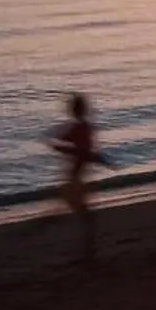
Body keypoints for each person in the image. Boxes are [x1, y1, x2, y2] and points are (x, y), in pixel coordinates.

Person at [49, 92, 106, 263]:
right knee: (85, 216)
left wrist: (58, 146)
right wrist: (101, 159)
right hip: (76, 179)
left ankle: (88, 252)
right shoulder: (84, 128)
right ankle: (88, 252)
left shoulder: (79, 128)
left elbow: (75, 149)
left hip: (74, 178)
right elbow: (84, 152)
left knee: (80, 214)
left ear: (73, 111)